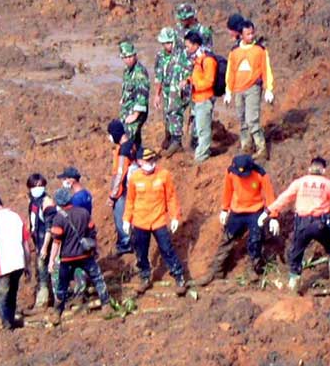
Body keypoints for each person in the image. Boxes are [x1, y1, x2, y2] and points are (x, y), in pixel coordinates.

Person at [266, 155, 330, 294]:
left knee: (296, 253)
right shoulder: (327, 184)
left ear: (310, 168)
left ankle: (294, 286)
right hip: (320, 223)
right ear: (323, 170)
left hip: (302, 223)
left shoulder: (300, 183)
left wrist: (270, 210)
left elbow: (285, 198)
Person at [124, 149, 189, 294]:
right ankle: (145, 277)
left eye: (152, 160)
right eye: (147, 161)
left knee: (167, 249)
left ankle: (179, 277)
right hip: (140, 221)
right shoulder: (135, 178)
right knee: (141, 251)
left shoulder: (163, 175)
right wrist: (126, 220)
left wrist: (174, 217)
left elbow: (171, 197)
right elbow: (130, 201)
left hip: (158, 220)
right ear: (139, 162)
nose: (151, 164)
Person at [205, 153, 273, 284]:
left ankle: (252, 268)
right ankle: (217, 270)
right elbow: (227, 190)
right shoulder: (231, 172)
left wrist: (272, 215)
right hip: (237, 211)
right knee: (228, 238)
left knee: (256, 239)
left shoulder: (260, 174)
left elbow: (269, 195)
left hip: (255, 211)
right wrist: (225, 209)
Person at [48, 185, 108, 321]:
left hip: (67, 258)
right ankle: (106, 304)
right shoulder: (83, 213)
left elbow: (56, 242)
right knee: (98, 279)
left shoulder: (58, 218)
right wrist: (94, 248)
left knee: (62, 286)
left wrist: (51, 260)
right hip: (85, 255)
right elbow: (92, 232)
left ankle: (57, 313)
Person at [0, 193, 34, 331]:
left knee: (3, 296)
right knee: (12, 293)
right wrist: (28, 265)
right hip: (18, 263)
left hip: (4, 265)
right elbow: (26, 244)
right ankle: (10, 321)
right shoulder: (16, 216)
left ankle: (6, 324)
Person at [225, 17, 275, 156]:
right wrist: (228, 90)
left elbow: (266, 70)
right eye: (248, 34)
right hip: (238, 89)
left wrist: (268, 89)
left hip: (253, 87)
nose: (251, 36)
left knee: (252, 118)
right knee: (242, 119)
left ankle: (261, 147)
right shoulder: (234, 51)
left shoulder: (259, 50)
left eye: (252, 33)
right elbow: (231, 71)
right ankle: (246, 146)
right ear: (241, 35)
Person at [155, 28, 193, 156]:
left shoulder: (183, 54)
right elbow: (158, 76)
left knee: (175, 112)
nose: (166, 46)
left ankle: (177, 141)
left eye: (168, 43)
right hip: (166, 90)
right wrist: (157, 94)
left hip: (179, 89)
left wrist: (185, 83)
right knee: (167, 114)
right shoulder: (160, 56)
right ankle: (170, 136)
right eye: (164, 43)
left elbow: (190, 71)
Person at [25, 173, 60, 312]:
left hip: (48, 243)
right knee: (41, 273)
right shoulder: (33, 202)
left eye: (40, 186)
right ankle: (45, 301)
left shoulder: (47, 202)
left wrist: (45, 247)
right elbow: (32, 222)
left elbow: (49, 227)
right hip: (38, 241)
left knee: (50, 271)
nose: (37, 188)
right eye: (34, 186)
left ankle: (51, 302)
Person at [107, 118, 142, 255]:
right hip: (131, 187)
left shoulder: (123, 150)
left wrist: (113, 195)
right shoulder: (132, 144)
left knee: (120, 215)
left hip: (123, 190)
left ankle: (125, 243)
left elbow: (120, 173)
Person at [186, 28, 220, 161]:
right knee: (200, 128)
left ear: (195, 45)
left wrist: (194, 85)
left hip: (204, 99)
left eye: (188, 46)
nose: (187, 49)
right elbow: (198, 77)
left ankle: (202, 156)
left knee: (203, 129)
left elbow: (209, 81)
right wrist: (188, 81)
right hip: (198, 99)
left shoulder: (207, 60)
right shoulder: (198, 59)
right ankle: (202, 152)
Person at [117, 38, 151, 152]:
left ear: (135, 55)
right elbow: (127, 87)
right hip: (128, 109)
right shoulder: (127, 71)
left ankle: (128, 161)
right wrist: (123, 99)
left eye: (130, 57)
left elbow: (142, 96)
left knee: (126, 139)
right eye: (125, 58)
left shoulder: (140, 73)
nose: (128, 60)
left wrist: (135, 115)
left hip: (136, 112)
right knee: (135, 139)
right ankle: (137, 155)